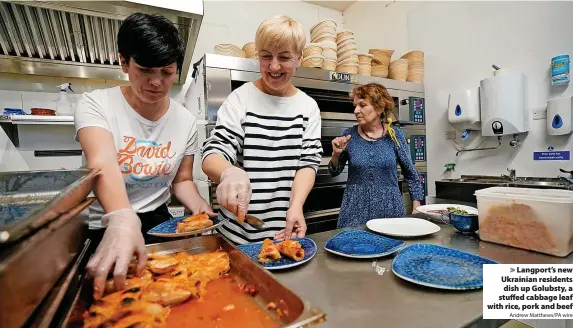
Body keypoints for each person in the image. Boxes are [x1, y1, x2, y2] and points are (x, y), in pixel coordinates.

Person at [74, 12, 214, 298]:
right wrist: (122, 218)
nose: (156, 82)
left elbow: (182, 180)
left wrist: (201, 207)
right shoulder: (96, 104)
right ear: (124, 62)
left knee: (169, 292)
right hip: (107, 222)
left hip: (158, 223)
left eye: (166, 71)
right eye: (146, 70)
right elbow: (102, 163)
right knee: (113, 297)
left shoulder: (185, 120)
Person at [201, 15, 323, 245]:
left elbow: (308, 163)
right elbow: (213, 153)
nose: (274, 66)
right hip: (237, 235)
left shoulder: (308, 107)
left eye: (284, 57)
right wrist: (228, 172)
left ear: (299, 58)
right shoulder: (241, 98)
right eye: (266, 56)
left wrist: (296, 206)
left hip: (283, 234)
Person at [328, 83, 424, 228]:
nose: (356, 110)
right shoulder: (349, 135)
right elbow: (334, 172)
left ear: (379, 108)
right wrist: (336, 155)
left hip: (390, 210)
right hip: (355, 210)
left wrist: (416, 206)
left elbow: (410, 173)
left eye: (362, 105)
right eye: (355, 106)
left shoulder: (395, 135)